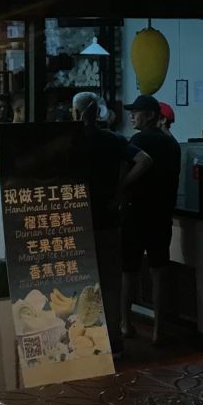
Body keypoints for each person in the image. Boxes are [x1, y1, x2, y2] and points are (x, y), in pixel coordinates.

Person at [73, 92, 151, 358]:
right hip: (108, 219)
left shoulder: (69, 140)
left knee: (79, 283)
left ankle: (81, 343)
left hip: (76, 222)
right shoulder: (113, 139)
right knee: (109, 283)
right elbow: (144, 160)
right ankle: (113, 342)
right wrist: (120, 188)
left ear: (76, 113)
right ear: (99, 114)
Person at [122, 94, 181, 345]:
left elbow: (124, 171)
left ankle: (125, 324)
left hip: (135, 213)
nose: (131, 116)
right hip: (161, 215)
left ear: (149, 115)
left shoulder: (137, 140)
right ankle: (159, 330)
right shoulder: (172, 144)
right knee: (159, 271)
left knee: (129, 271)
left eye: (136, 112)